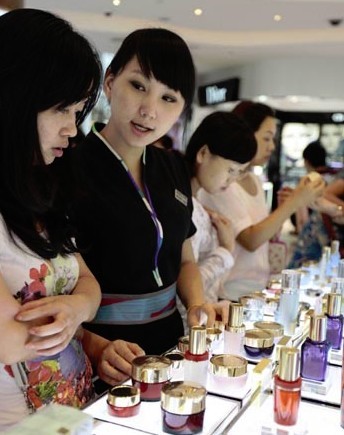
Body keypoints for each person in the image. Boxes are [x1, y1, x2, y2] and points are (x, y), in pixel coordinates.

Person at [71, 28, 227, 387]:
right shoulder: (69, 169)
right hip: (105, 357)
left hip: (171, 348)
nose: (149, 110)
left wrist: (198, 304)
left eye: (168, 98)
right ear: (110, 83)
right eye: (138, 85)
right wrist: (94, 347)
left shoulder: (172, 167)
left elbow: (185, 259)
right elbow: (52, 286)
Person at [0, 9, 103, 430]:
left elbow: (91, 285)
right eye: (63, 110)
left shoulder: (38, 193)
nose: (73, 130)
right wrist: (76, 312)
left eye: (78, 112)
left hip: (72, 412)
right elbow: (11, 339)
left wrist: (77, 307)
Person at [198, 101, 325, 301]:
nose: (272, 146)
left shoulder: (254, 180)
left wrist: (286, 206)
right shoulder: (221, 182)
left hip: (254, 289)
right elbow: (250, 240)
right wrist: (294, 201)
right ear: (246, 133)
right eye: (266, 138)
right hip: (227, 292)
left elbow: (264, 235)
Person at [176, 111, 257, 330]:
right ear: (203, 153)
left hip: (199, 321)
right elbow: (184, 285)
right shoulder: (184, 206)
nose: (231, 181)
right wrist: (226, 250)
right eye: (230, 170)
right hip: (188, 327)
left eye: (238, 173)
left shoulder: (195, 203)